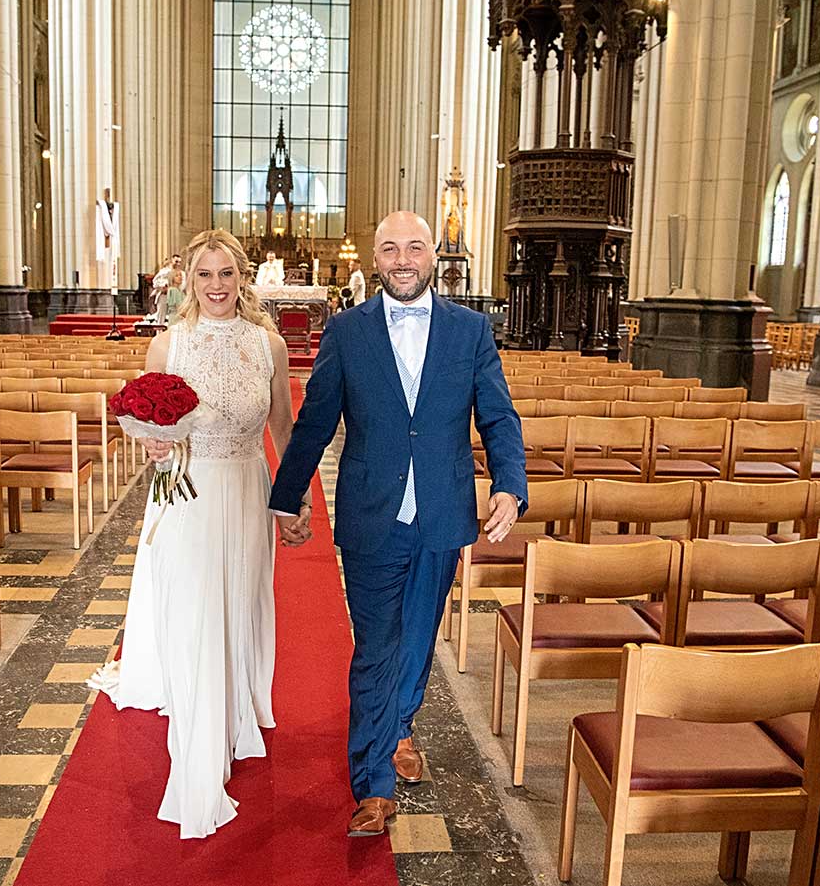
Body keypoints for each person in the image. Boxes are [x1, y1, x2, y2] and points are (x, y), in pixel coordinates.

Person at [269, 211, 527, 836]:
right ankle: (374, 785)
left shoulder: (470, 331)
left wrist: (510, 486)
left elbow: (498, 415)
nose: (403, 258)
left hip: (441, 512)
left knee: (417, 641)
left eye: (414, 247)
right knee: (377, 647)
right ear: (376, 260)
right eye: (390, 248)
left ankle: (399, 726)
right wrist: (288, 495)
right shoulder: (347, 332)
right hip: (371, 514)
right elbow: (316, 419)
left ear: (433, 255)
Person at [89, 229, 297, 839]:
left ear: (243, 278)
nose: (215, 286)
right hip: (189, 493)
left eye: (226, 274)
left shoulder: (269, 345)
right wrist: (152, 442)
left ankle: (234, 717)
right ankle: (199, 752)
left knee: (240, 607)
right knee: (197, 614)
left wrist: (292, 503)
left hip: (249, 488)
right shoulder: (169, 345)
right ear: (188, 280)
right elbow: (147, 425)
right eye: (204, 275)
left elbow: (282, 426)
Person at [152, 254, 182, 325]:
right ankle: (159, 333)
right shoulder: (164, 271)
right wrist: (163, 287)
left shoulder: (180, 273)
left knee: (176, 316)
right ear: (172, 260)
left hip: (176, 296)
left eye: (180, 262)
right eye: (176, 261)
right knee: (161, 318)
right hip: (164, 295)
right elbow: (155, 282)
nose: (178, 264)